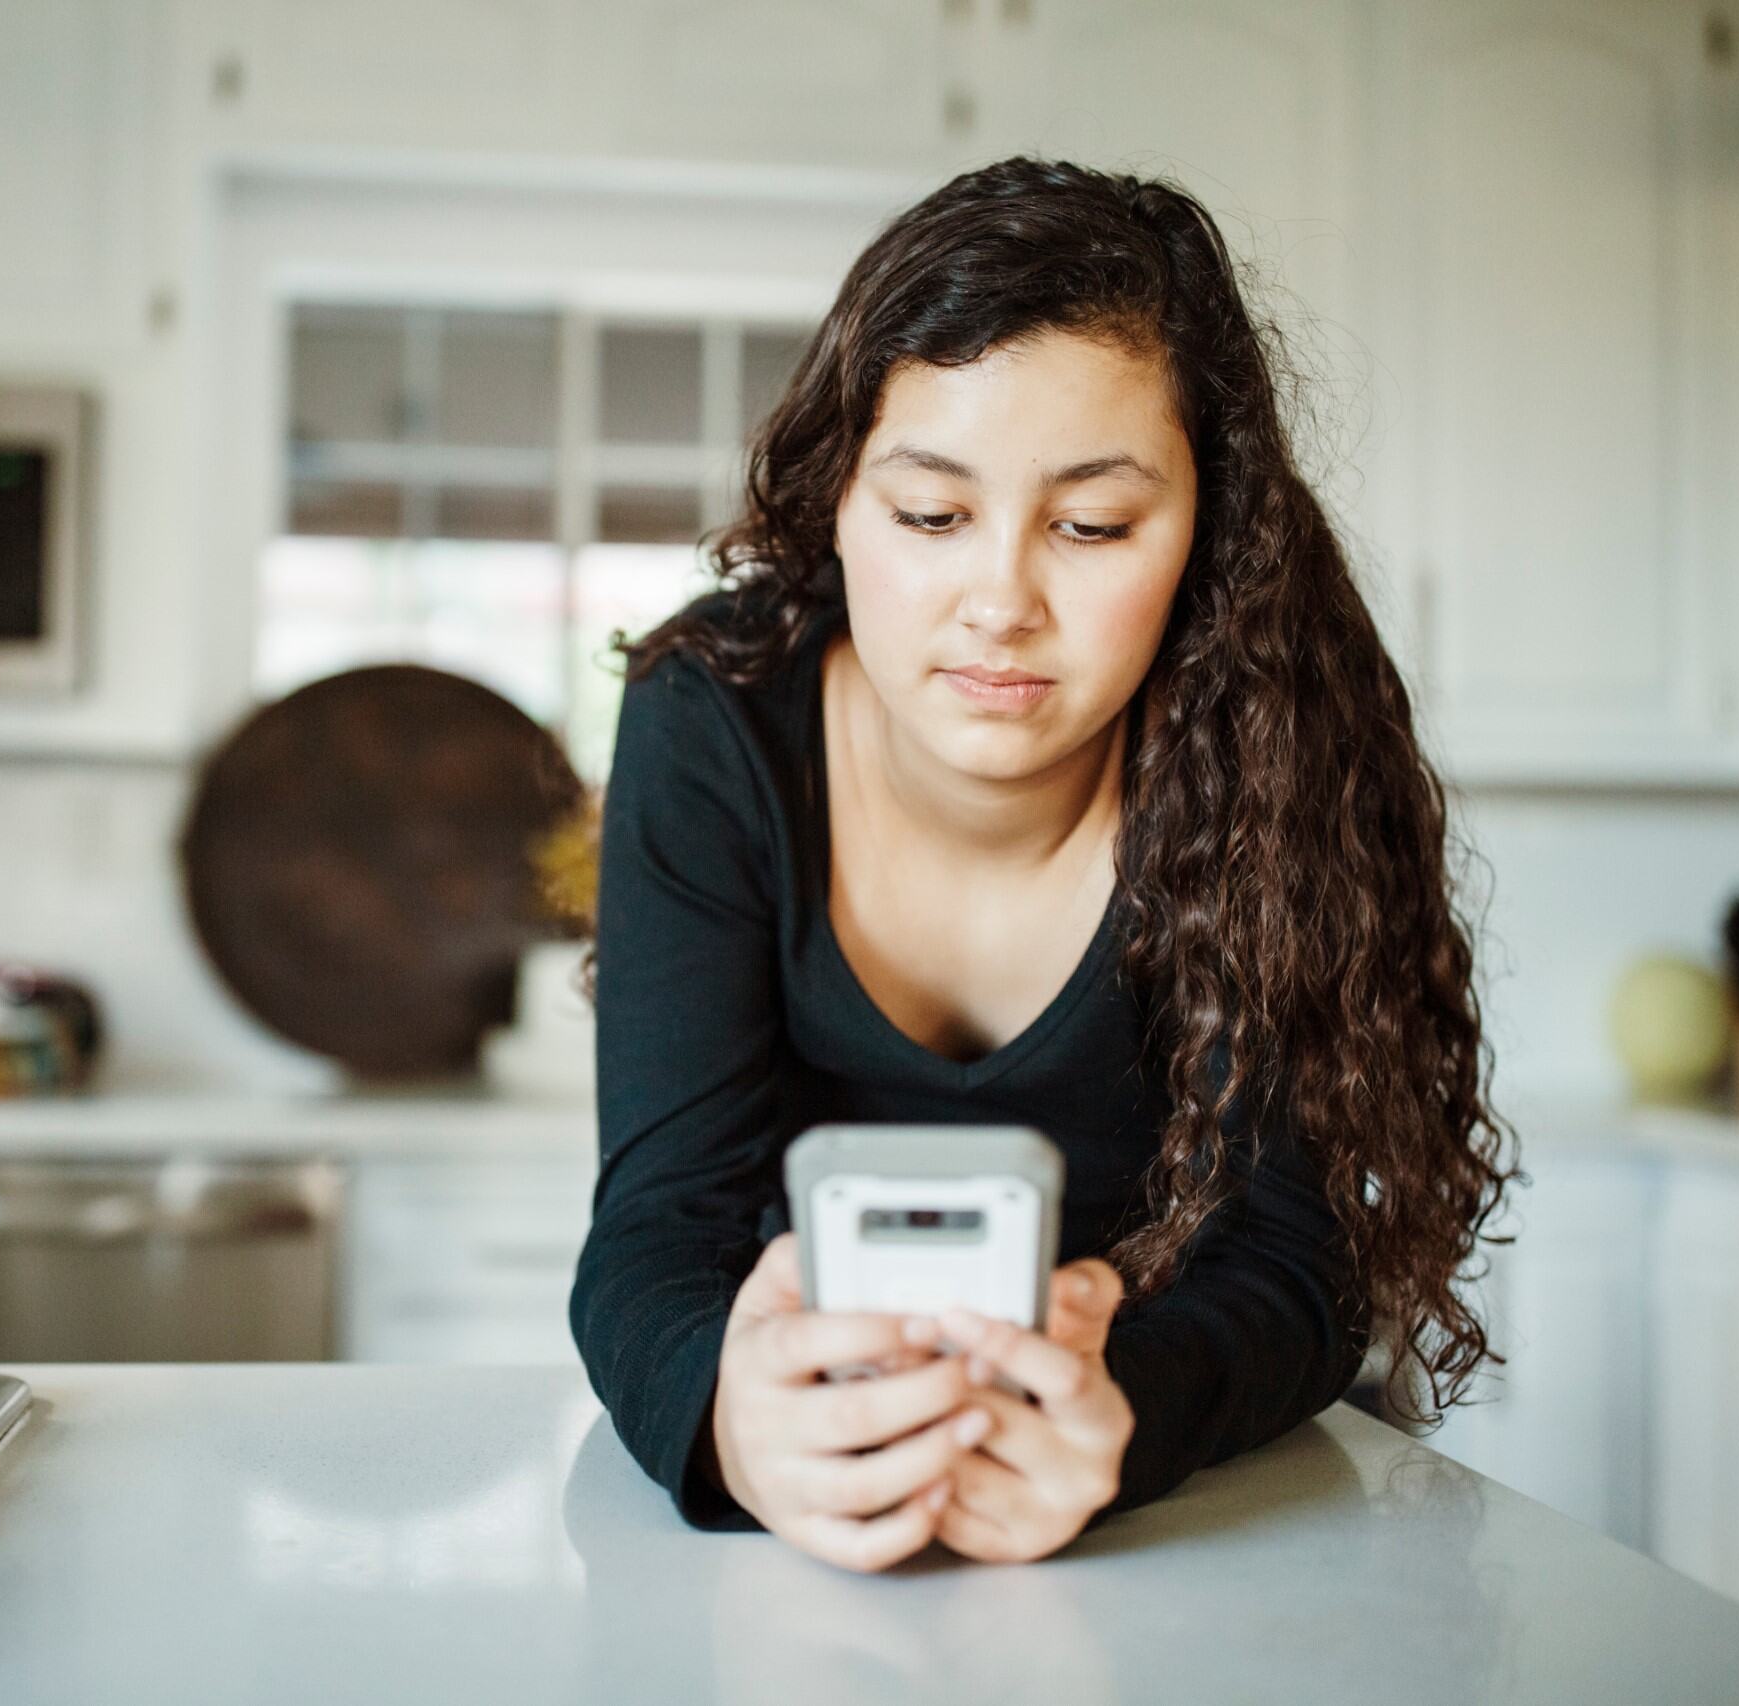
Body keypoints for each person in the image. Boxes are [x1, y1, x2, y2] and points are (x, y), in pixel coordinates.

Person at [567, 156, 1522, 1573]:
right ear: (835, 503)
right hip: (805, 1496)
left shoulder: (1282, 739)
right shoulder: (712, 719)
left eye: (1091, 525)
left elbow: (1297, 1265)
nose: (1002, 600)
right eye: (931, 515)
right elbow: (656, 1230)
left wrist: (1117, 1414)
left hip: (1193, 1510)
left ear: (1207, 534)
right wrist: (728, 1416)